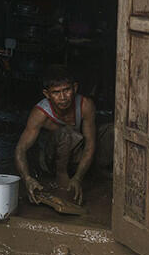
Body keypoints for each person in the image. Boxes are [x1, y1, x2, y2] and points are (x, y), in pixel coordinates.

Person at [14, 65, 108, 206]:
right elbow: (20, 149)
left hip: (78, 157)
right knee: (66, 132)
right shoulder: (40, 113)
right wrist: (27, 178)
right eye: (56, 92)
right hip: (52, 161)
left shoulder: (85, 105)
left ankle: (100, 172)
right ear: (47, 94)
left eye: (67, 90)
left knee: (112, 131)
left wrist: (78, 178)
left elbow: (90, 145)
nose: (63, 97)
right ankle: (62, 181)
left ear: (75, 88)